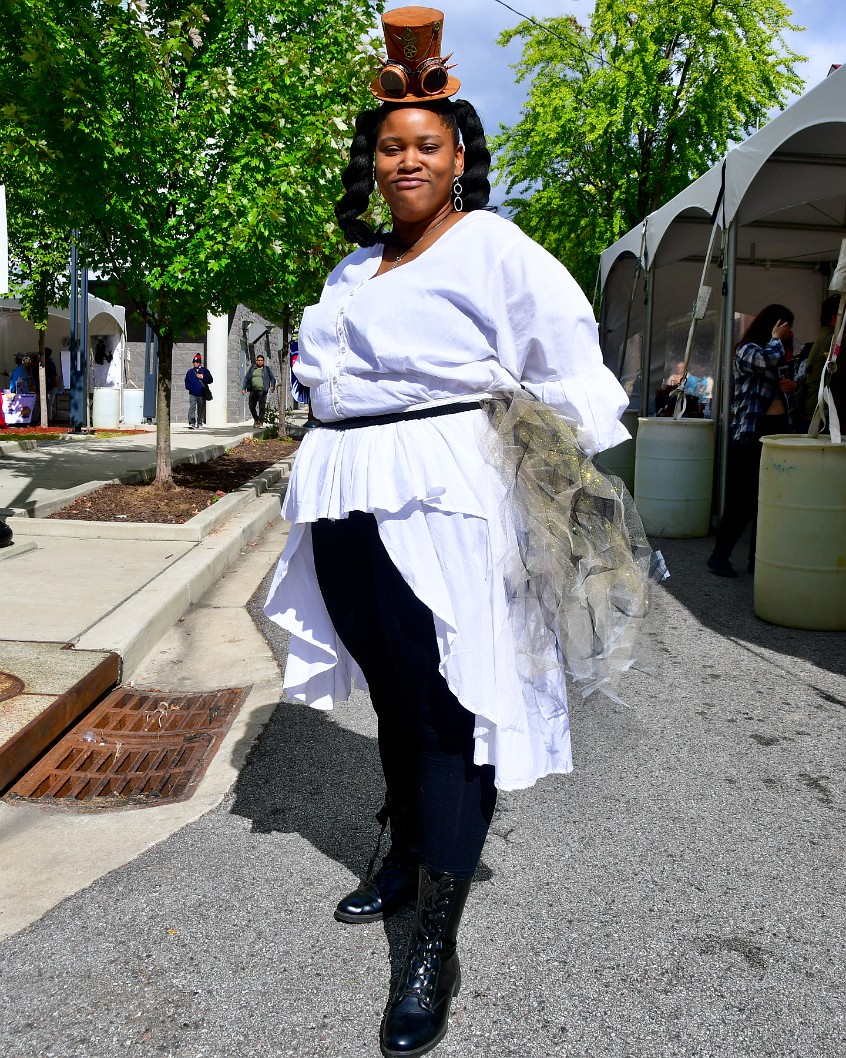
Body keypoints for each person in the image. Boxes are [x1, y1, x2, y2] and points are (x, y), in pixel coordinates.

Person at [264, 8, 651, 1056]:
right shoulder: (353, 272)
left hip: (444, 500)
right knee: (393, 691)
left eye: (426, 144)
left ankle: (435, 941)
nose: (406, 160)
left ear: (460, 155)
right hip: (345, 492)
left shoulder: (492, 246)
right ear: (373, 160)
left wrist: (561, 479)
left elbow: (568, 353)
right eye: (390, 145)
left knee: (448, 710)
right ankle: (400, 850)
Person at [707, 304, 795, 578]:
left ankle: (758, 560)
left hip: (778, 430)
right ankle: (719, 556)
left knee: (768, 501)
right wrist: (776, 339)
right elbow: (764, 360)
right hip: (750, 431)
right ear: (772, 326)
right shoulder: (747, 350)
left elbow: (786, 382)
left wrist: (793, 386)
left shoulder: (778, 352)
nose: (789, 334)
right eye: (785, 327)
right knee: (741, 500)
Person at [797, 294, 839, 432]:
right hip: (823, 415)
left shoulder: (825, 337)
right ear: (835, 318)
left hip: (816, 411)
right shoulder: (833, 341)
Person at [242, 352, 276, 426]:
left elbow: (272, 379)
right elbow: (246, 378)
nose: (260, 361)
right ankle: (256, 419)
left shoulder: (266, 369)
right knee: (251, 406)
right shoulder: (252, 368)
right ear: (257, 361)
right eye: (258, 360)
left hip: (262, 391)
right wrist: (244, 388)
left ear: (263, 361)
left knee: (261, 407)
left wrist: (272, 386)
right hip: (253, 390)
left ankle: (260, 422)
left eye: (261, 360)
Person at [184, 354, 213, 429]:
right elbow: (186, 381)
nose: (195, 363)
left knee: (201, 408)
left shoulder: (204, 371)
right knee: (192, 407)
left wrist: (203, 377)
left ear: (200, 362)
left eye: (197, 362)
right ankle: (192, 423)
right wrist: (189, 387)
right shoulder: (190, 372)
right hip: (192, 393)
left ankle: (199, 423)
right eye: (194, 361)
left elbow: (210, 380)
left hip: (201, 393)